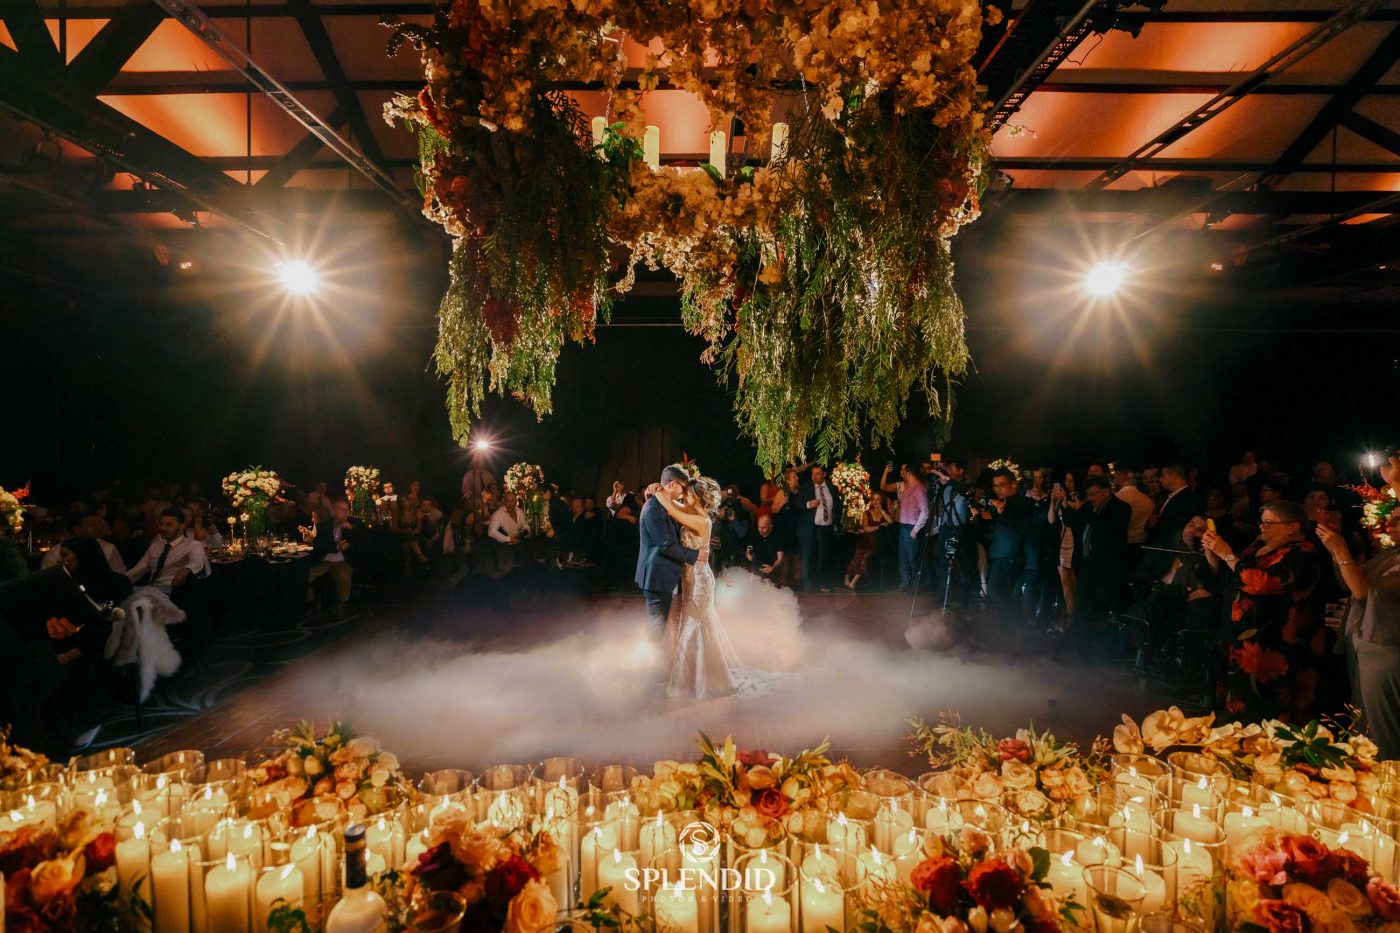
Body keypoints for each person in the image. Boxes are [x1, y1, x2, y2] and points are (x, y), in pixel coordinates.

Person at [650, 476, 790, 699]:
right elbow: (675, 505)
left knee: (692, 626)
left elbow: (672, 509)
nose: (684, 496)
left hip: (700, 582)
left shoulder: (702, 521)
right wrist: (660, 491)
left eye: (688, 494)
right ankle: (700, 676)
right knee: (697, 626)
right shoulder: (691, 511)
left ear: (698, 498)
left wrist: (658, 492)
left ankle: (691, 683)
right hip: (689, 579)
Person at [1203, 500, 1326, 721]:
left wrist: (1228, 555)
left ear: (1293, 526)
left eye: (1269, 522)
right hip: (1243, 637)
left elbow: (1263, 583)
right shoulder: (1257, 547)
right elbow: (1234, 576)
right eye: (1261, 522)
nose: (1262, 527)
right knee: (1238, 704)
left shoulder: (1303, 554)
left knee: (1265, 707)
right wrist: (1214, 555)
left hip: (1274, 643)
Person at [1321, 464, 1400, 756]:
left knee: (1383, 729)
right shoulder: (1390, 554)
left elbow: (1365, 592)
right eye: (1391, 519)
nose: (1390, 525)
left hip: (1388, 651)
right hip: (1366, 647)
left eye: (1399, 520)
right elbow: (1350, 581)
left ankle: (1388, 776)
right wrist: (1335, 553)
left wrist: (1342, 551)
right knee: (1364, 725)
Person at [635, 465, 709, 653]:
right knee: (656, 627)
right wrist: (695, 555)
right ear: (672, 484)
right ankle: (648, 665)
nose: (684, 493)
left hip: (663, 575)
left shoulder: (665, 504)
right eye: (683, 488)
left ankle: (656, 661)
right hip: (656, 576)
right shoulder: (654, 507)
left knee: (660, 625)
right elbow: (666, 545)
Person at [1069, 475, 1131, 647]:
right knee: (1082, 603)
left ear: (1106, 491)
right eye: (1088, 494)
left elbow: (1104, 527)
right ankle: (1079, 642)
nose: (1090, 498)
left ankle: (1098, 645)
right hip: (1088, 562)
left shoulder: (1121, 508)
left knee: (1100, 606)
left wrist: (1082, 509)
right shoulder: (1090, 507)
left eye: (1093, 494)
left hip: (1106, 566)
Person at [982, 468, 1033, 621]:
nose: (998, 489)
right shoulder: (1003, 504)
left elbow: (1019, 527)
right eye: (995, 485)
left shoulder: (1021, 504)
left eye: (1002, 485)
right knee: (1000, 593)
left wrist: (1002, 512)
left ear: (1013, 484)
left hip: (1010, 555)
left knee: (997, 592)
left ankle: (1016, 625)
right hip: (1000, 554)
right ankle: (1010, 628)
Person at [126, 507, 210, 595]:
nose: (163, 528)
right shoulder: (156, 545)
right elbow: (137, 571)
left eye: (169, 525)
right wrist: (120, 582)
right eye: (161, 524)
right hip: (152, 590)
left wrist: (186, 569)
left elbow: (198, 561)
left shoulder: (193, 545)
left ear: (182, 526)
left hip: (173, 594)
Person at [880, 463, 928, 592]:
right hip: (903, 525)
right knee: (903, 556)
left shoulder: (918, 488)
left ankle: (916, 584)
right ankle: (905, 581)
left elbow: (924, 511)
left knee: (912, 557)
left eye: (904, 471)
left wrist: (915, 529)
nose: (902, 474)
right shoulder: (908, 488)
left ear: (909, 473)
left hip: (911, 526)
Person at [41, 509, 127, 575]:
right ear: (77, 529)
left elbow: (120, 575)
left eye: (99, 523)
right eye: (92, 525)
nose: (98, 527)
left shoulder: (109, 548)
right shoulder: (55, 554)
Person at [796, 465, 839, 591]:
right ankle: (809, 586)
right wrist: (808, 504)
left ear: (824, 474)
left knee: (823, 557)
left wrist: (836, 522)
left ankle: (822, 583)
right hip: (810, 528)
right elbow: (796, 505)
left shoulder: (832, 488)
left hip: (826, 528)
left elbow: (837, 506)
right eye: (812, 473)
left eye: (818, 474)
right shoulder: (805, 488)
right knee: (809, 556)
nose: (814, 477)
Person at [308, 499, 354, 607]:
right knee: (302, 577)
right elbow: (319, 547)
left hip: (341, 561)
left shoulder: (352, 525)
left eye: (347, 510)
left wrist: (351, 529)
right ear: (333, 511)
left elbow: (360, 539)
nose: (346, 513)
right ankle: (311, 602)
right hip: (324, 561)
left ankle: (341, 605)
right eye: (342, 510)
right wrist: (337, 546)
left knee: (343, 575)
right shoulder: (323, 526)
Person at [844, 494, 889, 590]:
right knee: (857, 557)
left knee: (865, 558)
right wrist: (878, 527)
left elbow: (890, 521)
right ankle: (847, 578)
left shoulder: (884, 513)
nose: (875, 501)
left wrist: (882, 510)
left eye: (878, 499)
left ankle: (854, 581)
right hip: (866, 540)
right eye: (873, 499)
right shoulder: (867, 513)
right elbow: (865, 528)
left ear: (881, 501)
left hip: (877, 541)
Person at [488, 491, 530, 577]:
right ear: (504, 501)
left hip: (519, 542)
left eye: (512, 501)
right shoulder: (498, 514)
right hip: (505, 545)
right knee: (510, 568)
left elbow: (525, 525)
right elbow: (491, 532)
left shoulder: (519, 511)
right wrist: (509, 539)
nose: (510, 504)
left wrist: (528, 531)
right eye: (507, 501)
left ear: (516, 502)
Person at [746, 513, 786, 583]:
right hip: (757, 568)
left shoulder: (778, 537)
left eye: (763, 527)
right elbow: (750, 547)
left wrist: (773, 568)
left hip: (771, 570)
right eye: (759, 527)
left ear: (770, 526)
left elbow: (780, 558)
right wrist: (748, 553)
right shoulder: (755, 533)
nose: (760, 530)